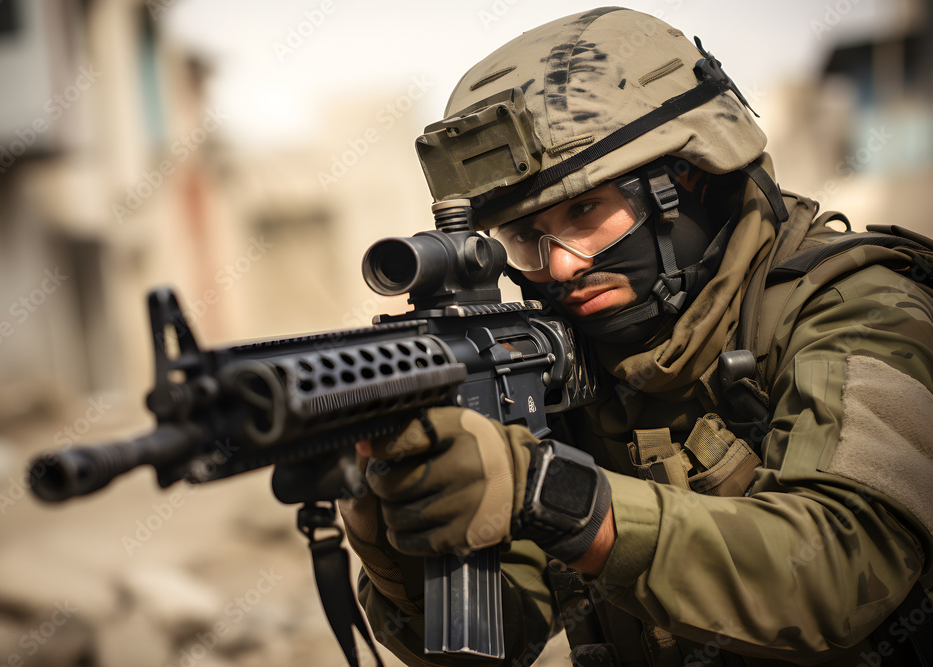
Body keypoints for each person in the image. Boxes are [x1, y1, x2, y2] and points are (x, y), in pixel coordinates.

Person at [338, 8, 933, 667]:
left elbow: (848, 568)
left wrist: (555, 498)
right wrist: (397, 521)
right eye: (523, 236)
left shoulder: (858, 305)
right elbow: (494, 645)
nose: (558, 264)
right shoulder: (567, 361)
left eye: (584, 210)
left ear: (691, 177)